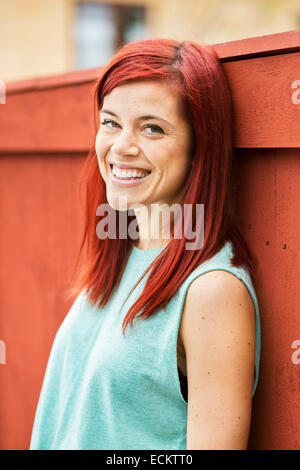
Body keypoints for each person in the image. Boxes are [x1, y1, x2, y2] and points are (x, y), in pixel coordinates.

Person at [30, 38, 261, 450]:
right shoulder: (118, 254)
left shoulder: (212, 291)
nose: (121, 147)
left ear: (198, 147)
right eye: (111, 122)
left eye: (152, 128)